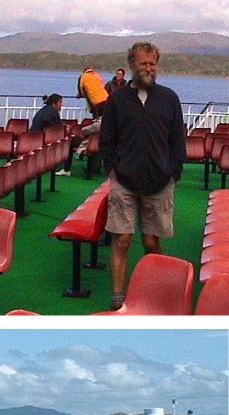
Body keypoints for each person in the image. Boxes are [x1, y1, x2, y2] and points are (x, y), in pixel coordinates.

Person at [98, 41, 186, 311]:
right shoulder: (117, 99)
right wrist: (112, 167)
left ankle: (154, 289)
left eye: (152, 63)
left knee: (151, 241)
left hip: (160, 182)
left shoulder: (169, 98)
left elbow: (177, 140)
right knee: (120, 239)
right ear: (132, 65)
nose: (148, 68)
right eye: (143, 63)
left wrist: (174, 171)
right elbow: (106, 139)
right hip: (124, 181)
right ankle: (116, 299)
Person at [29, 93, 81, 175]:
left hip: (32, 137)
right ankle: (66, 169)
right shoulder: (53, 111)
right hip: (41, 137)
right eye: (60, 103)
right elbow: (47, 120)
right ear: (54, 103)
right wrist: (56, 129)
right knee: (70, 142)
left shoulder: (44, 109)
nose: (61, 105)